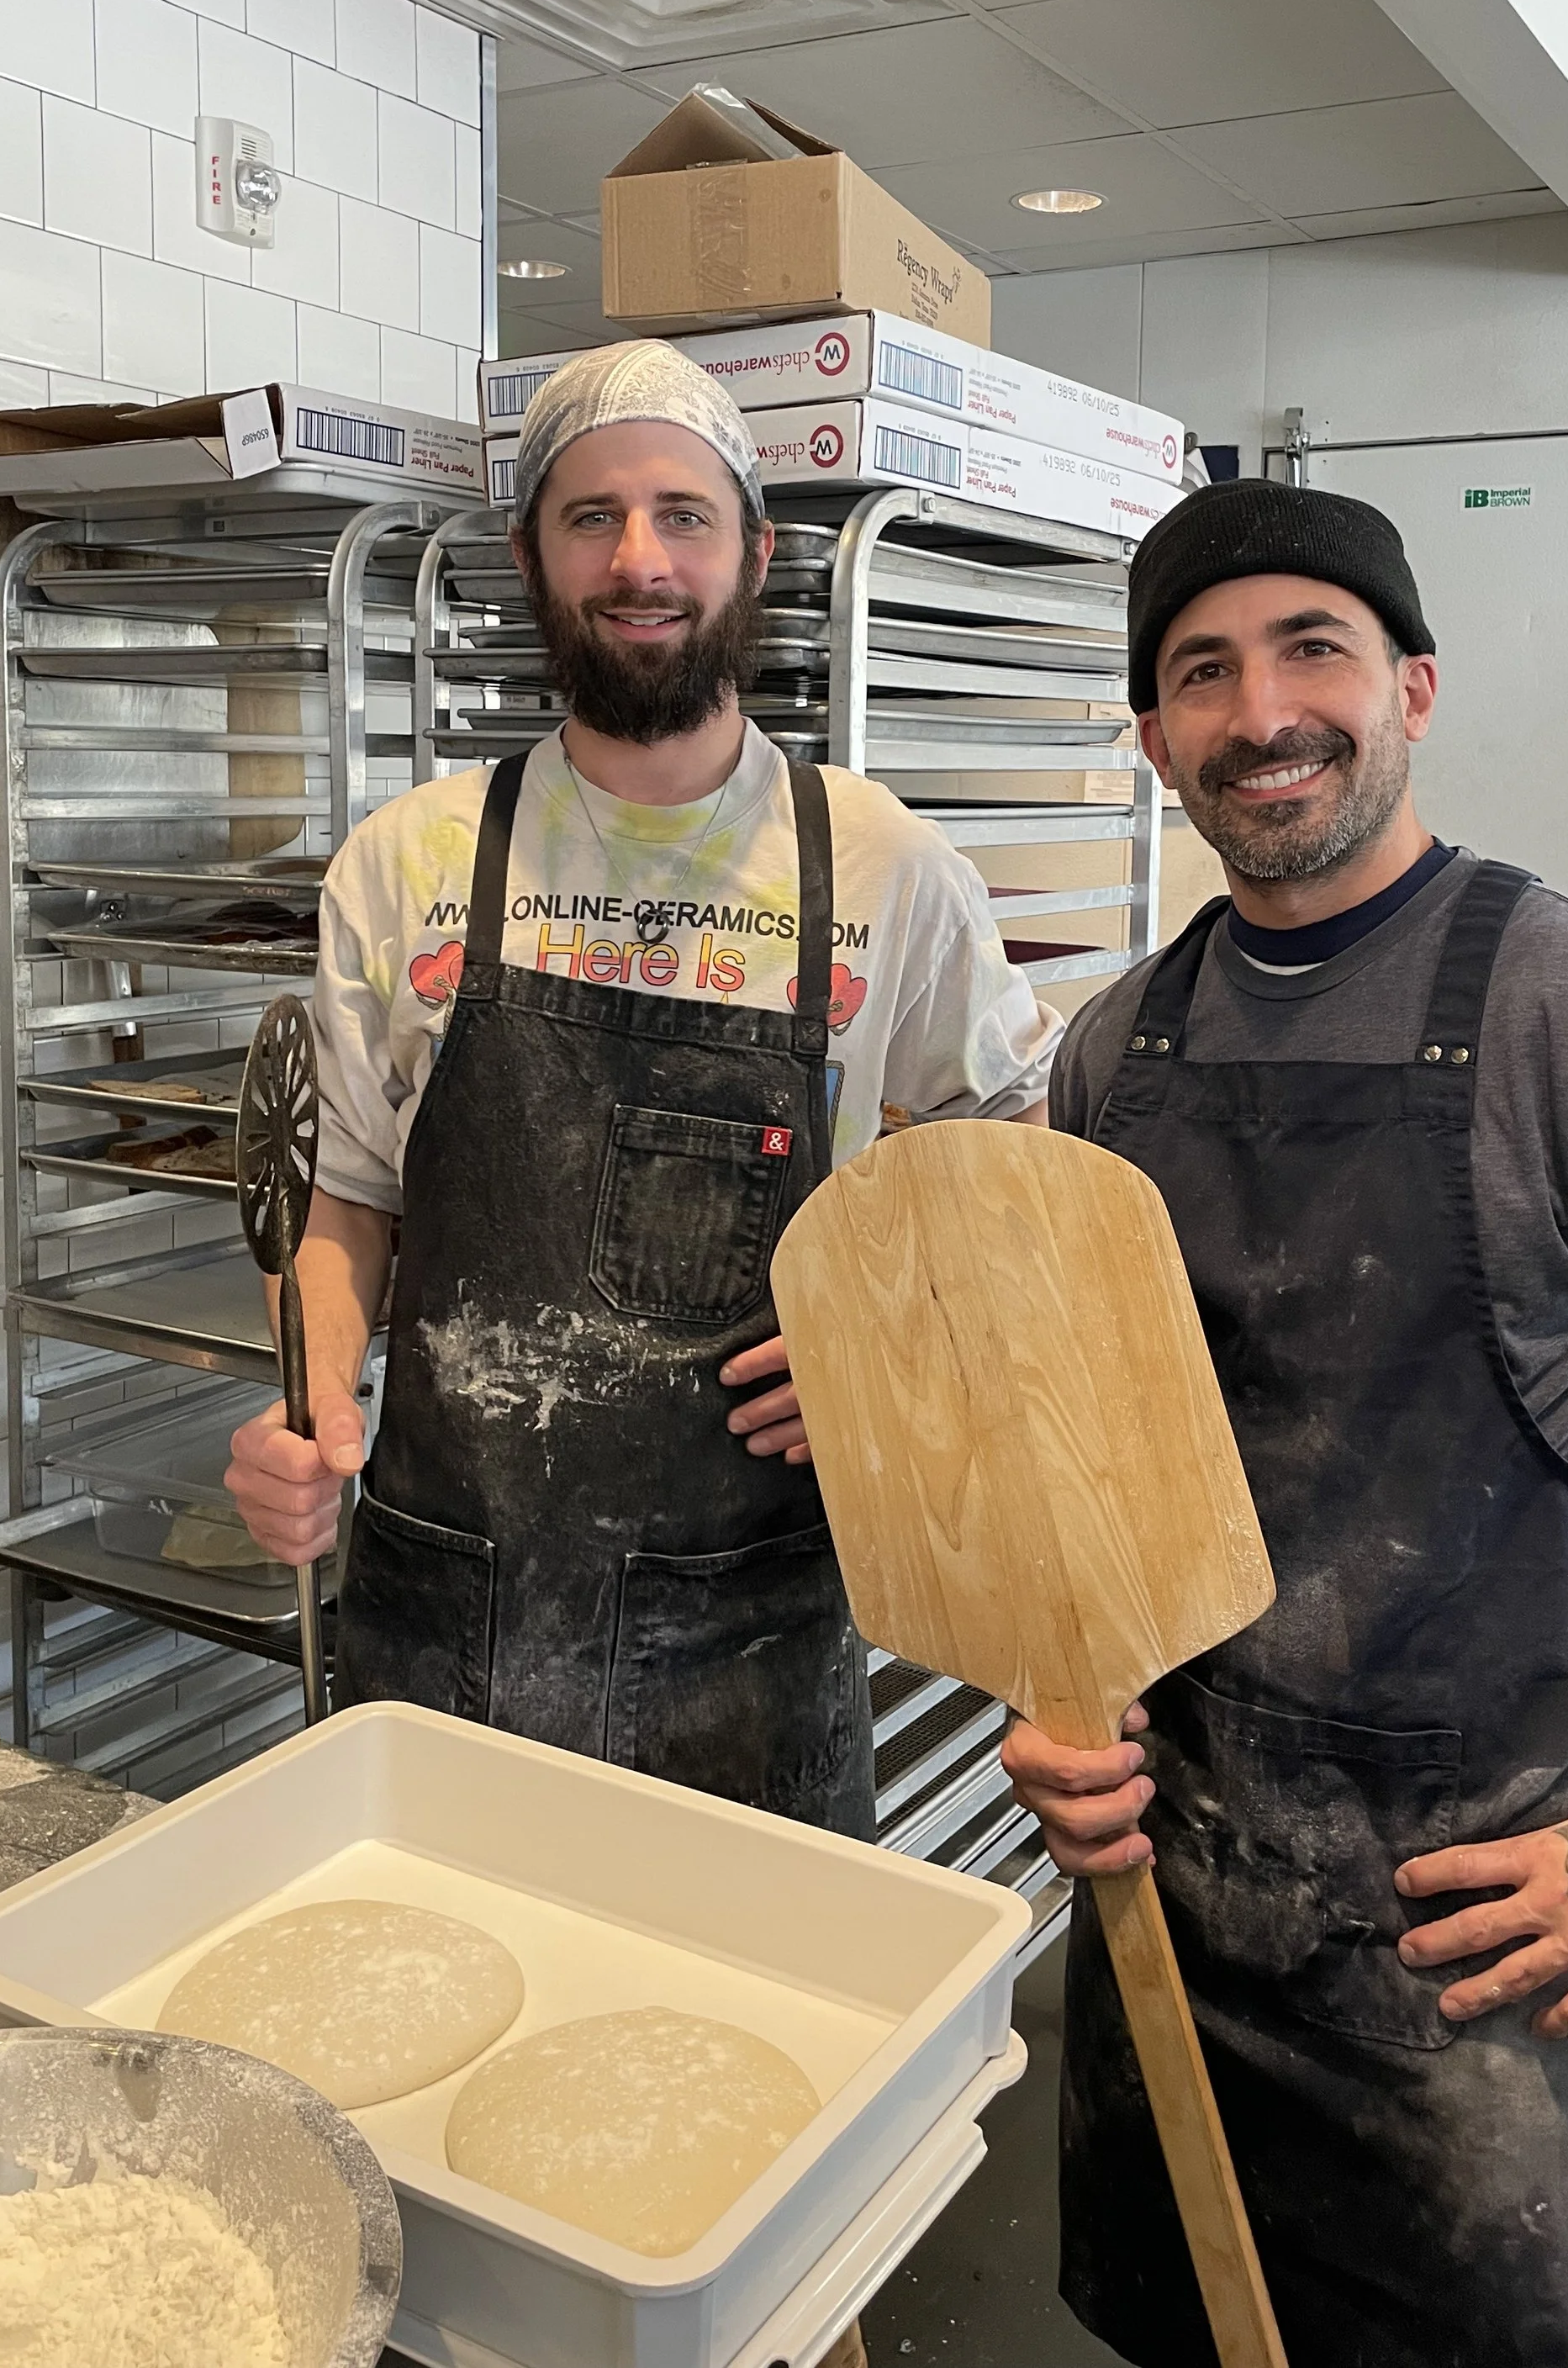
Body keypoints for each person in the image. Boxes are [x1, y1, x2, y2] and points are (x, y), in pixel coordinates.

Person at [1000, 479, 1568, 2368]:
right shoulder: (1111, 1055)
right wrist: (1050, 1691)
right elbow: (1055, 1438)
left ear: (1412, 684)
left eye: (1311, 648)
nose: (1261, 711)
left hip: (1481, 1962)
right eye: (1200, 671)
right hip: (1171, 1909)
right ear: (1151, 735)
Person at [227, 339, 1060, 1843]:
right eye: (590, 517)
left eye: (684, 514)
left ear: (756, 552)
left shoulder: (886, 872)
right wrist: (303, 1413)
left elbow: (1017, 1184)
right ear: (531, 558)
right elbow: (344, 1190)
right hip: (440, 1611)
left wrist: (892, 1355)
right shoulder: (406, 863)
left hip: (749, 1629)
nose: (639, 560)